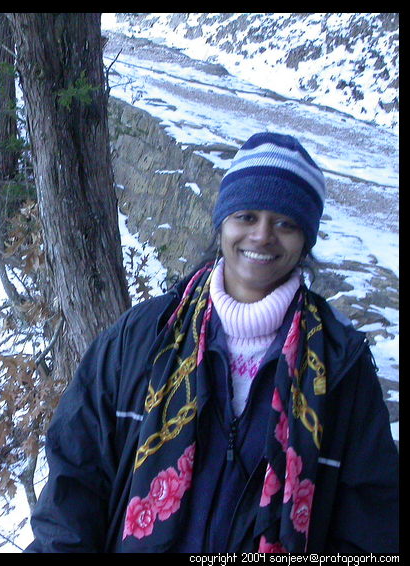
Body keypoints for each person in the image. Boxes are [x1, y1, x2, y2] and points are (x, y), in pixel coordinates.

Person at [24, 132, 399, 553]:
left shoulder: (340, 366)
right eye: (246, 216)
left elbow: (371, 524)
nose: (262, 236)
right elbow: (74, 481)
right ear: (222, 223)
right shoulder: (142, 337)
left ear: (306, 239)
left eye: (286, 223)